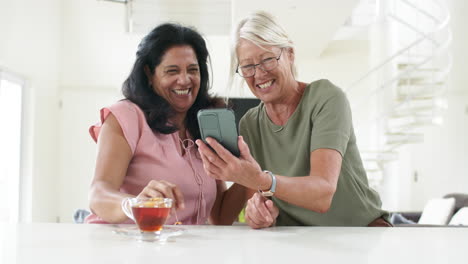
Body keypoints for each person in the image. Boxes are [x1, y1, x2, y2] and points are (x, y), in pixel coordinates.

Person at [196, 11, 391, 228]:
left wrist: (260, 180)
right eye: (248, 66)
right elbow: (241, 209)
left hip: (362, 233)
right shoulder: (251, 124)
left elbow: (322, 194)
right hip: (301, 241)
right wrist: (262, 212)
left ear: (289, 54)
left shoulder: (325, 99)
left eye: (267, 60)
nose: (259, 74)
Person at [86, 23, 246, 225]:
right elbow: (98, 194)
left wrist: (253, 175)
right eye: (172, 71)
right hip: (123, 248)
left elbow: (220, 216)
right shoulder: (126, 116)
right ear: (149, 75)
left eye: (192, 70)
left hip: (178, 252)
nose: (184, 80)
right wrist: (134, 204)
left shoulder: (203, 126)